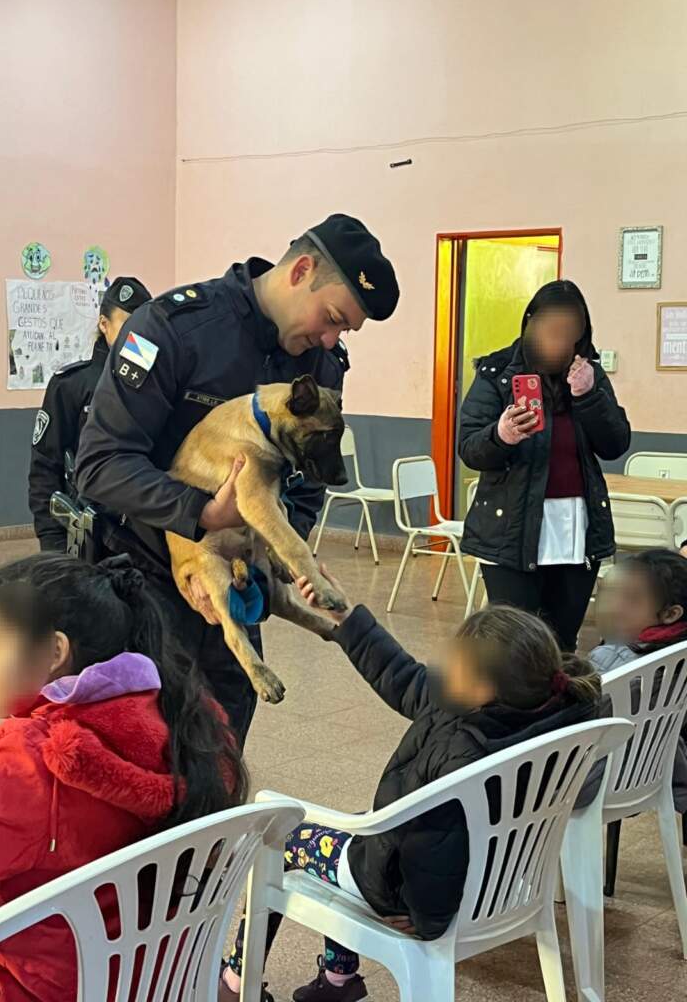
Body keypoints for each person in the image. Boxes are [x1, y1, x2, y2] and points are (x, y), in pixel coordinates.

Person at [75, 215, 400, 746]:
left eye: (344, 331)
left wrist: (275, 543)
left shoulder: (320, 364)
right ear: (300, 270)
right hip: (148, 585)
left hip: (240, 581)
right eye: (333, 318)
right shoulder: (172, 329)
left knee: (223, 760)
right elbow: (101, 463)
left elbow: (306, 479)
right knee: (144, 764)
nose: (331, 337)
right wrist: (202, 514)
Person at [220, 570, 602, 1002]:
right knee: (358, 826)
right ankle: (337, 982)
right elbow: (405, 678)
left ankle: (234, 981)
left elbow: (437, 844)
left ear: (480, 689)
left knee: (285, 838)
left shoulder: (461, 752)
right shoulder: (545, 713)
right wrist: (346, 619)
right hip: (498, 879)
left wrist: (427, 919)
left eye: (451, 664)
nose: (440, 668)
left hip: (410, 890)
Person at [0, 553, 246, 1002]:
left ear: (55, 651)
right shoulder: (192, 725)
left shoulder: (32, 752)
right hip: (155, 978)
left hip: (35, 985)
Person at [459, 279, 630, 652]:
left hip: (576, 529)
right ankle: (512, 712)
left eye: (570, 334)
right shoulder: (497, 373)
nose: (559, 342)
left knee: (562, 643)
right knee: (515, 648)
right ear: (530, 323)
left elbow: (616, 444)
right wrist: (500, 434)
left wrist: (588, 396)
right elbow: (470, 448)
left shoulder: (588, 374)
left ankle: (563, 710)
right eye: (551, 330)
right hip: (510, 529)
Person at [28, 276, 152, 551]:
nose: (137, 335)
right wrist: (53, 543)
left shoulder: (158, 386)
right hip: (85, 534)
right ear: (104, 325)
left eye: (144, 325)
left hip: (144, 537)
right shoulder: (72, 385)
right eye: (127, 325)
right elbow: (45, 467)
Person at [591, 548, 687, 810]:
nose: (616, 607)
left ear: (670, 614)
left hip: (598, 779)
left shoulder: (614, 659)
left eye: (631, 600)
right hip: (654, 774)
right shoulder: (679, 655)